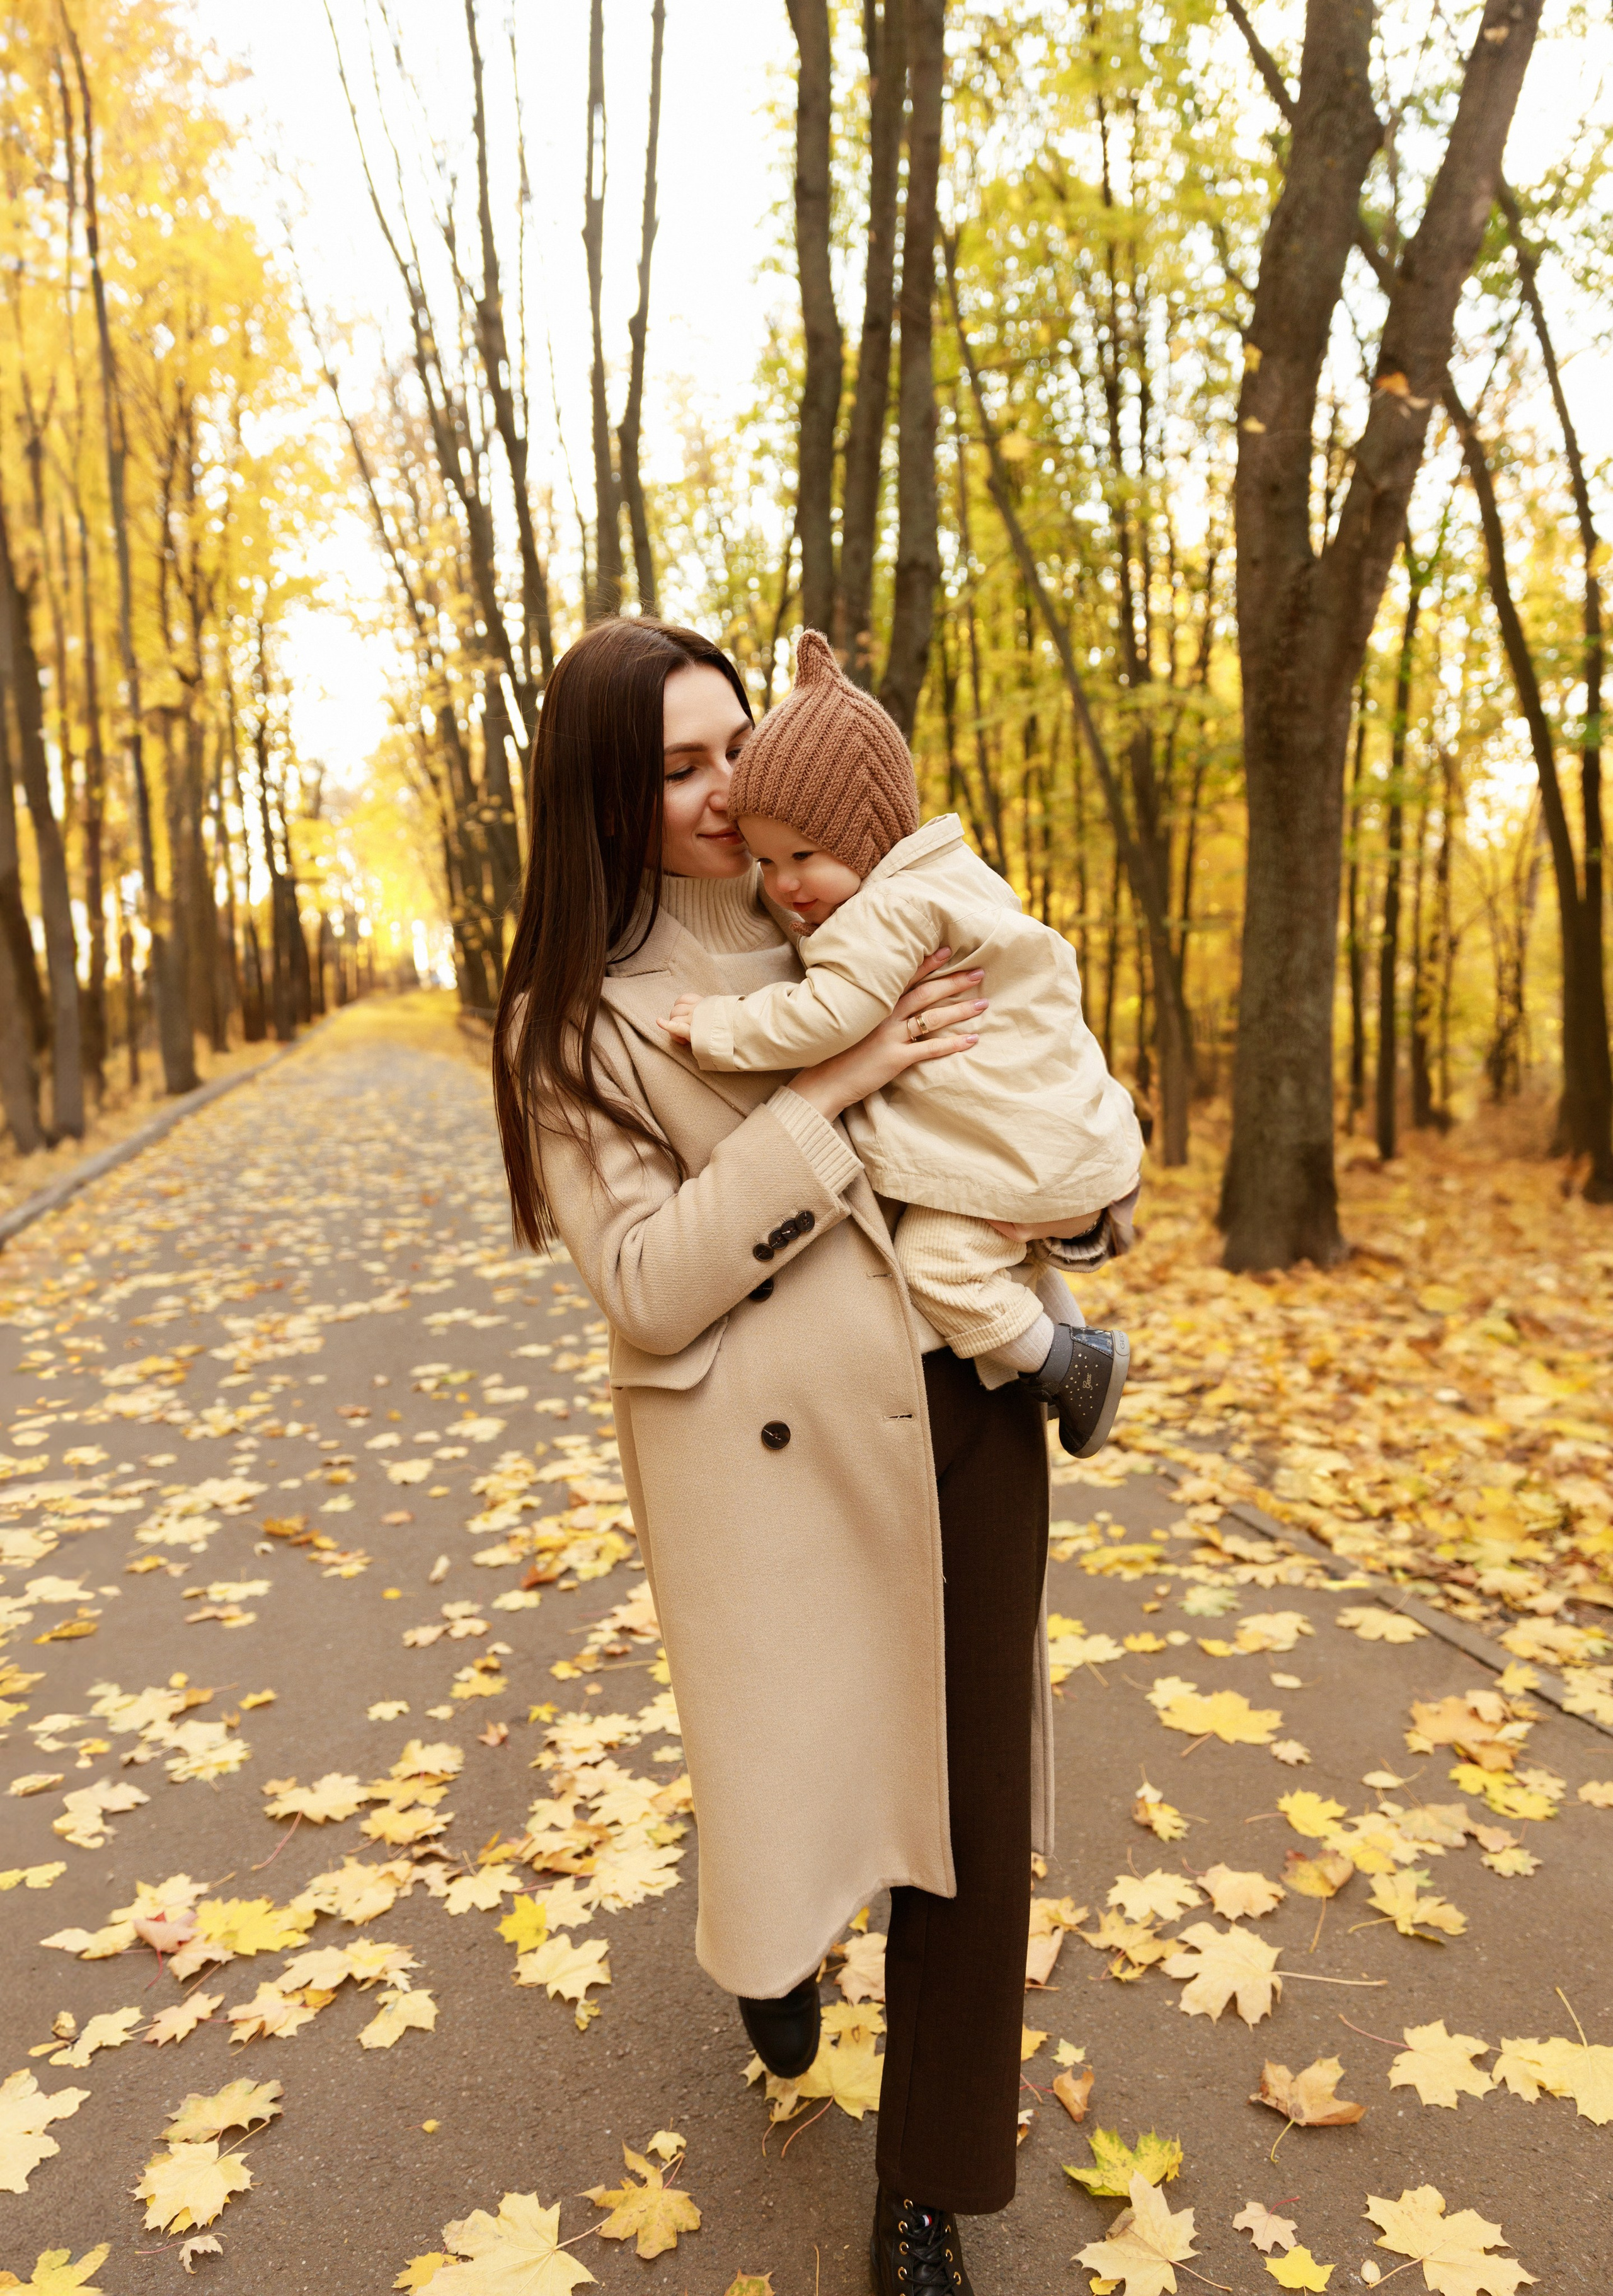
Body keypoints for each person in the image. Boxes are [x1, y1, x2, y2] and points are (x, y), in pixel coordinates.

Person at [493, 617, 1130, 2295]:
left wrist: (1093, 1188)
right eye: (683, 767)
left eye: (733, 749)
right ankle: (771, 1942)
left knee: (967, 1814)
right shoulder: (576, 1026)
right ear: (609, 797)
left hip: (960, 1409)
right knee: (800, 1779)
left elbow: (1023, 1069)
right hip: (762, 1471)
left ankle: (927, 2186)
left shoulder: (856, 897)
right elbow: (644, 1282)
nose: (725, 794)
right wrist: (835, 1084)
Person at [660, 629, 1142, 1455]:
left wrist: (719, 1025)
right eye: (769, 862)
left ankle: (1069, 1365)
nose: (783, 885)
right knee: (999, 1253)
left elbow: (826, 1015)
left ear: (866, 837)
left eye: (802, 857)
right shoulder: (948, 873)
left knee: (944, 1265)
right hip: (1057, 1136)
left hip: (1016, 1161)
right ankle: (1076, 1337)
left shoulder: (886, 912)